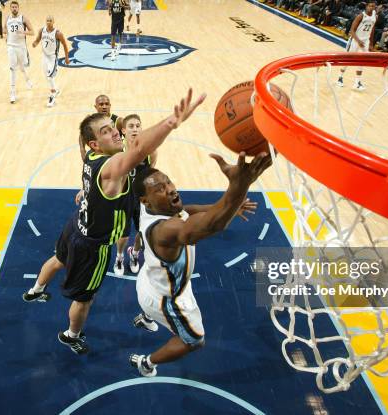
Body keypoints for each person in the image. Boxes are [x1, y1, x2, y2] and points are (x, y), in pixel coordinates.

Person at [22, 89, 206, 355]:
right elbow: (139, 149)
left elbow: (135, 149)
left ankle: (37, 289)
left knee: (58, 259)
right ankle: (71, 334)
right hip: (92, 246)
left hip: (75, 226)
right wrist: (172, 122)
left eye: (113, 127)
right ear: (94, 144)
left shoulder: (91, 158)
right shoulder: (110, 168)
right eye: (107, 131)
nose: (116, 132)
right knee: (84, 299)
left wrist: (86, 189)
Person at [129, 152, 270, 377]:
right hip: (166, 299)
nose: (170, 189)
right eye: (160, 189)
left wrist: (228, 204)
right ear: (145, 200)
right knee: (194, 340)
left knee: (165, 275)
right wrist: (239, 186)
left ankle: (146, 317)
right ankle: (147, 363)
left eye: (168, 181)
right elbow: (211, 225)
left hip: (148, 279)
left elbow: (189, 211)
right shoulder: (164, 231)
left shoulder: (151, 208)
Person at [114, 114, 156, 276]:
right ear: (123, 130)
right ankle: (119, 257)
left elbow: (149, 173)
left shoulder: (150, 151)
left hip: (141, 200)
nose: (135, 129)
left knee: (141, 233)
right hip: (122, 200)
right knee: (123, 235)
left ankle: (134, 254)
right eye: (131, 126)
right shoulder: (117, 151)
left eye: (138, 126)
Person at [337, 0, 377, 91]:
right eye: (370, 6)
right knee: (348, 59)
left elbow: (372, 29)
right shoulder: (360, 16)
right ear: (366, 6)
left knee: (362, 60)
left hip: (365, 41)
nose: (372, 8)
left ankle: (357, 82)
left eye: (373, 6)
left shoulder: (375, 15)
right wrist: (358, 40)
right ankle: (340, 77)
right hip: (355, 40)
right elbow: (352, 31)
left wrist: (371, 43)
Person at [32, 16, 70, 107]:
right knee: (46, 76)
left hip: (53, 57)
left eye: (50, 21)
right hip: (44, 56)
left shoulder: (58, 33)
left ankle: (52, 97)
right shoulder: (42, 30)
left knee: (50, 76)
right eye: (47, 20)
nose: (48, 22)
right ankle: (56, 90)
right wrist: (35, 43)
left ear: (53, 22)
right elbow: (38, 39)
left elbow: (65, 45)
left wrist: (67, 57)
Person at [3, 0, 34, 104]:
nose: (14, 9)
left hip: (21, 47)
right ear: (10, 8)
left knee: (22, 66)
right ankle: (12, 93)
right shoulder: (7, 18)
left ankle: (27, 80)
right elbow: (4, 29)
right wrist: (5, 35)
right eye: (12, 7)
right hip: (11, 46)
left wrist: (24, 32)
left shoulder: (23, 18)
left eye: (16, 7)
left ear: (18, 8)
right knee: (12, 68)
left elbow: (32, 32)